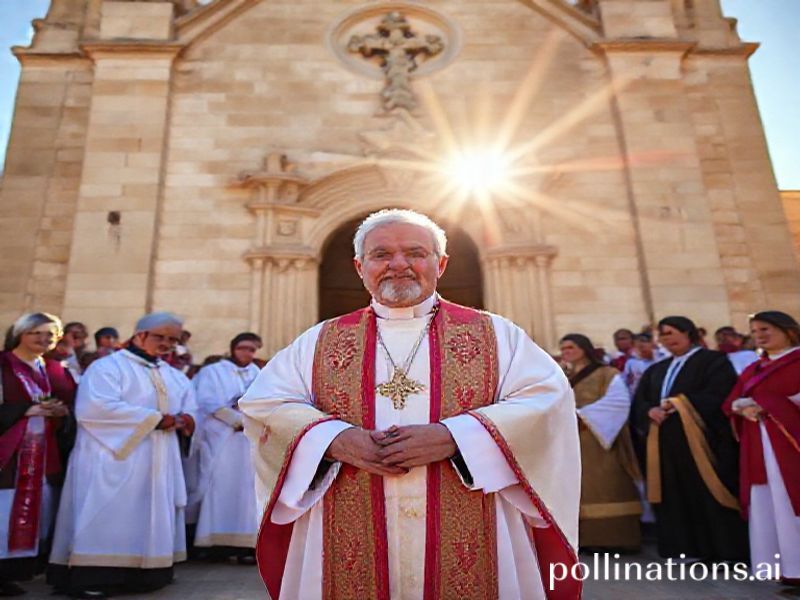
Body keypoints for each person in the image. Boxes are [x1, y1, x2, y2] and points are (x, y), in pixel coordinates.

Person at [239, 209, 582, 599]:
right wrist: (333, 439)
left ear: (441, 263)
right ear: (359, 266)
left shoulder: (497, 335)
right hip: (345, 515)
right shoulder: (318, 341)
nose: (398, 265)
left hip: (475, 513)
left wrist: (458, 437)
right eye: (381, 254)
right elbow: (265, 403)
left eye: (415, 252)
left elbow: (547, 399)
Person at [48, 312, 198, 598]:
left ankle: (146, 573)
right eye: (160, 337)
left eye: (172, 339)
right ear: (139, 335)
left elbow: (191, 407)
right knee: (106, 510)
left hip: (158, 457)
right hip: (112, 456)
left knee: (150, 511)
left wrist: (187, 420)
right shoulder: (107, 367)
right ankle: (93, 575)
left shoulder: (172, 375)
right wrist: (156, 419)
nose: (166, 343)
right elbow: (95, 408)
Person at [632, 316, 747, 561]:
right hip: (665, 443)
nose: (667, 339)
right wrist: (649, 411)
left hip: (700, 442)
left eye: (672, 333)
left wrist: (679, 403)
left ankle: (720, 551)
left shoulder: (712, 361)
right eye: (662, 335)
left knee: (705, 492)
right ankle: (683, 548)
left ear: (688, 333)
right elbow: (640, 401)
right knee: (673, 493)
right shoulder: (657, 369)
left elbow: (720, 393)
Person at [0, 313, 75, 597]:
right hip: (9, 452)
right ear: (20, 333)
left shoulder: (53, 369)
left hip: (43, 451)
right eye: (36, 333)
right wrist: (23, 410)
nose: (43, 339)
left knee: (36, 509)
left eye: (50, 335)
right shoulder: (3, 364)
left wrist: (62, 412)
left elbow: (70, 403)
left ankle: (14, 570)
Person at [723, 311, 800, 585]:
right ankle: (780, 567)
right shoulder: (753, 369)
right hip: (759, 444)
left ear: (789, 330)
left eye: (765, 329)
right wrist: (742, 410)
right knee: (768, 502)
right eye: (755, 331)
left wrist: (768, 405)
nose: (759, 336)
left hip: (790, 444)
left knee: (792, 500)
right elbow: (732, 402)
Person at [560, 334, 641, 552]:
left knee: (607, 484)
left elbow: (618, 401)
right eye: (563, 348)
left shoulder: (607, 374)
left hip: (601, 438)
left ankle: (617, 540)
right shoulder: (560, 377)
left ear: (585, 348)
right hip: (571, 441)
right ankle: (584, 539)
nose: (566, 351)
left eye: (571, 347)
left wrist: (583, 417)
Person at [190, 333, 263, 563]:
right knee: (220, 487)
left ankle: (246, 543)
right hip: (223, 438)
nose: (247, 354)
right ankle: (217, 543)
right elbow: (206, 400)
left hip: (247, 442)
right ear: (233, 348)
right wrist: (235, 419)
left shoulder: (257, 373)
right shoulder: (213, 371)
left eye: (252, 349)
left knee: (247, 492)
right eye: (243, 348)